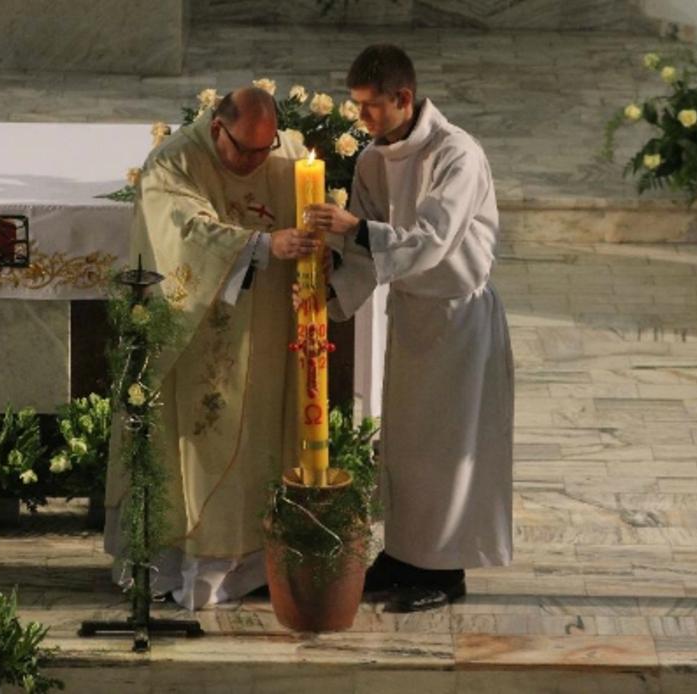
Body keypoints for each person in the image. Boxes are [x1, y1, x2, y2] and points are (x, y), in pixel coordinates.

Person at [308, 44, 514, 613]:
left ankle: (445, 571)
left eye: (371, 107)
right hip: (412, 316)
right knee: (405, 446)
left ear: (404, 97)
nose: (363, 120)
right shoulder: (374, 159)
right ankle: (403, 553)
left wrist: (356, 229)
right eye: (358, 108)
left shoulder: (459, 154)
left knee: (449, 450)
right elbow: (363, 251)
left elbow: (430, 241)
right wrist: (327, 294)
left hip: (459, 319)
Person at [103, 87, 313, 609]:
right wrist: (265, 245)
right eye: (245, 151)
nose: (256, 163)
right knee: (195, 446)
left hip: (263, 334)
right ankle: (187, 567)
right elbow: (186, 234)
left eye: (266, 151)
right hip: (193, 342)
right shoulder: (172, 164)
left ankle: (254, 563)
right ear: (218, 127)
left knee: (260, 443)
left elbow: (307, 217)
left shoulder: (285, 154)